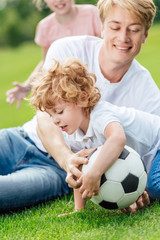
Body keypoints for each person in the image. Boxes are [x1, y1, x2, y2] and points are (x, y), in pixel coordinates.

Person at [35, 0, 160, 212]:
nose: (123, 37)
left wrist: (134, 188)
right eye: (115, 27)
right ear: (101, 27)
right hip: (32, 144)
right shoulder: (73, 126)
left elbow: (118, 139)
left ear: (145, 35)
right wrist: (78, 211)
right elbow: (82, 164)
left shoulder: (101, 113)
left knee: (155, 186)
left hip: (157, 145)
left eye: (134, 29)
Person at [6, 0, 101, 109]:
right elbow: (46, 62)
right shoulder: (45, 26)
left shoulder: (92, 13)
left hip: (94, 84)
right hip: (67, 91)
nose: (58, 1)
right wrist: (27, 85)